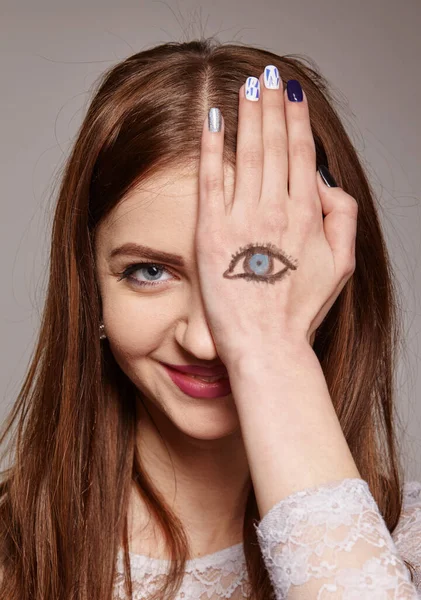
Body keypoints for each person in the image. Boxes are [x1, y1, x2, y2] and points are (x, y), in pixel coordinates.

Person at [0, 37, 420, 600]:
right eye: (149, 272)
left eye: (259, 264)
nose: (203, 339)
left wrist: (272, 354)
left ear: (333, 271)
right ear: (90, 288)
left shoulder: (403, 545)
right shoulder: (11, 552)